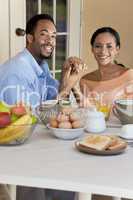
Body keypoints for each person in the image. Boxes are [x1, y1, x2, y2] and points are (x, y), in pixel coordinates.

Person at [0, 14, 87, 200]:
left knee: (70, 178)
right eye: (44, 34)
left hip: (34, 145)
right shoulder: (17, 72)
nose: (51, 41)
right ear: (29, 38)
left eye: (54, 36)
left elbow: (52, 103)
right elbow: (25, 123)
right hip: (14, 154)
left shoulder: (40, 65)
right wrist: (69, 86)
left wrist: (65, 75)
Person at [61, 27, 133, 120]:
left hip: (122, 132)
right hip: (93, 132)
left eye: (109, 46)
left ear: (117, 49)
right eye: (98, 46)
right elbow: (87, 112)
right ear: (92, 49)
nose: (103, 51)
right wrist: (72, 83)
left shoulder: (129, 75)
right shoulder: (85, 80)